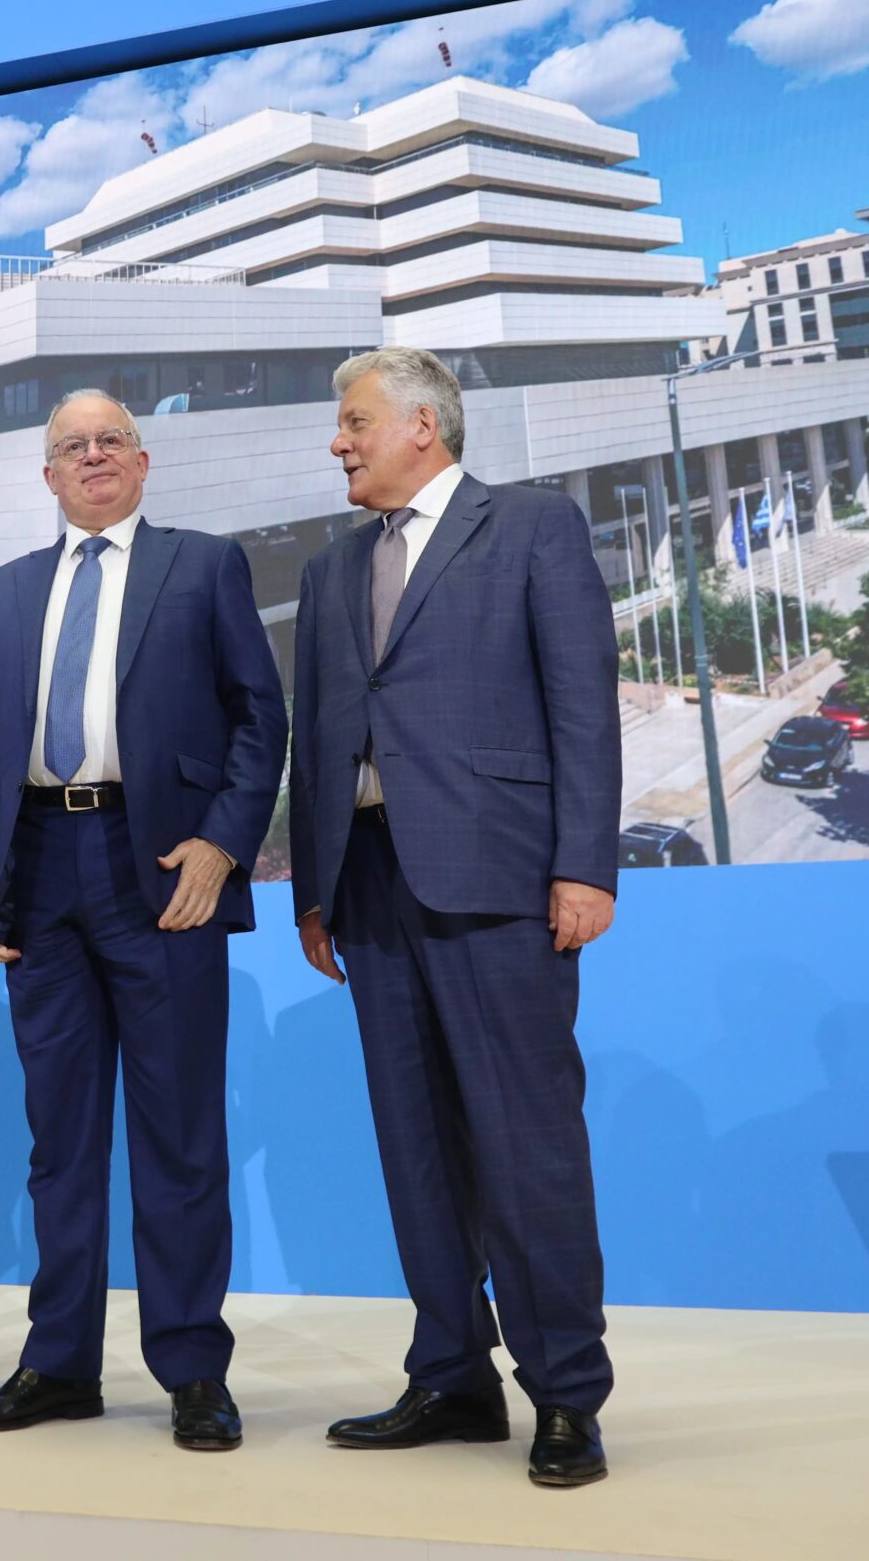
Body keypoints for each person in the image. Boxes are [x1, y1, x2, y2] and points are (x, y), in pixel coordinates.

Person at [287, 348, 621, 1488]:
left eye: (354, 421)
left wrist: (584, 866)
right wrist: (315, 887)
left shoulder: (531, 527)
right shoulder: (332, 567)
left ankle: (565, 1392)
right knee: (415, 1148)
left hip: (498, 883)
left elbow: (582, 706)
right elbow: (317, 735)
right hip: (370, 889)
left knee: (525, 1145)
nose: (338, 441)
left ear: (422, 425)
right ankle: (453, 1375)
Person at [0, 390, 286, 1451]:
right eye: (71, 446)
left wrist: (223, 843)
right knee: (59, 1138)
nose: (91, 456)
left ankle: (192, 1368)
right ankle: (59, 1365)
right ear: (47, 475)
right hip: (36, 875)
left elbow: (259, 718)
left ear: (142, 463)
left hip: (163, 868)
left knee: (177, 1133)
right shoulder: (2, 591)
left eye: (110, 441)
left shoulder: (205, 565)